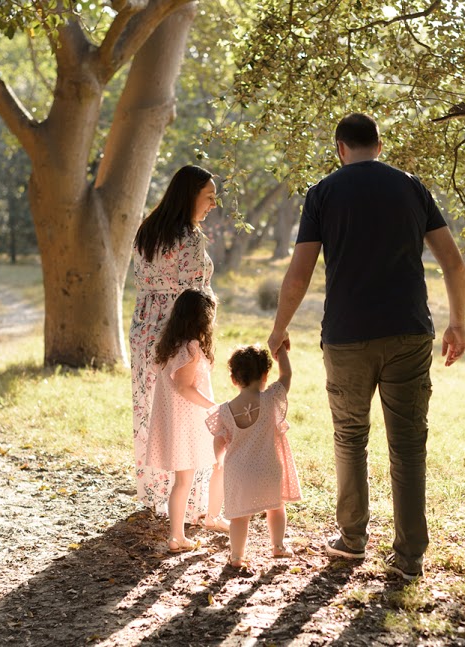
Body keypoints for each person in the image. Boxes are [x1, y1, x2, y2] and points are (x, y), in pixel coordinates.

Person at [267, 113, 465, 581]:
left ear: (340, 149)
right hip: (409, 332)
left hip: (346, 336)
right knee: (408, 446)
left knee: (350, 437)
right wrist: (457, 322)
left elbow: (299, 275)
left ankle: (353, 539)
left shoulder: (323, 193)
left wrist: (279, 328)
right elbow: (453, 263)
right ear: (378, 145)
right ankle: (410, 556)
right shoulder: (412, 187)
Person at [131, 164, 226, 528]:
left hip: (144, 333)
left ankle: (159, 494)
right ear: (190, 196)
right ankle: (194, 504)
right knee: (190, 412)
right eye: (209, 197)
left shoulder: (148, 230)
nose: (212, 205)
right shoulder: (189, 238)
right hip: (178, 330)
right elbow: (195, 291)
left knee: (152, 413)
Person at [145, 288, 228, 552]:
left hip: (179, 421)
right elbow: (183, 386)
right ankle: (176, 537)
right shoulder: (190, 347)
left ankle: (192, 527)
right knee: (183, 481)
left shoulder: (172, 344)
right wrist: (213, 405)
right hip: (185, 423)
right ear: (200, 318)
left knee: (194, 475)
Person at [207, 344, 301, 570]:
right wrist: (282, 352)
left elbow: (218, 441)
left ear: (233, 378)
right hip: (268, 468)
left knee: (239, 517)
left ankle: (237, 557)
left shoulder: (225, 410)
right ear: (265, 375)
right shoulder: (271, 399)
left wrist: (218, 460)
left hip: (239, 472)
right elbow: (287, 375)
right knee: (276, 507)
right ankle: (278, 546)